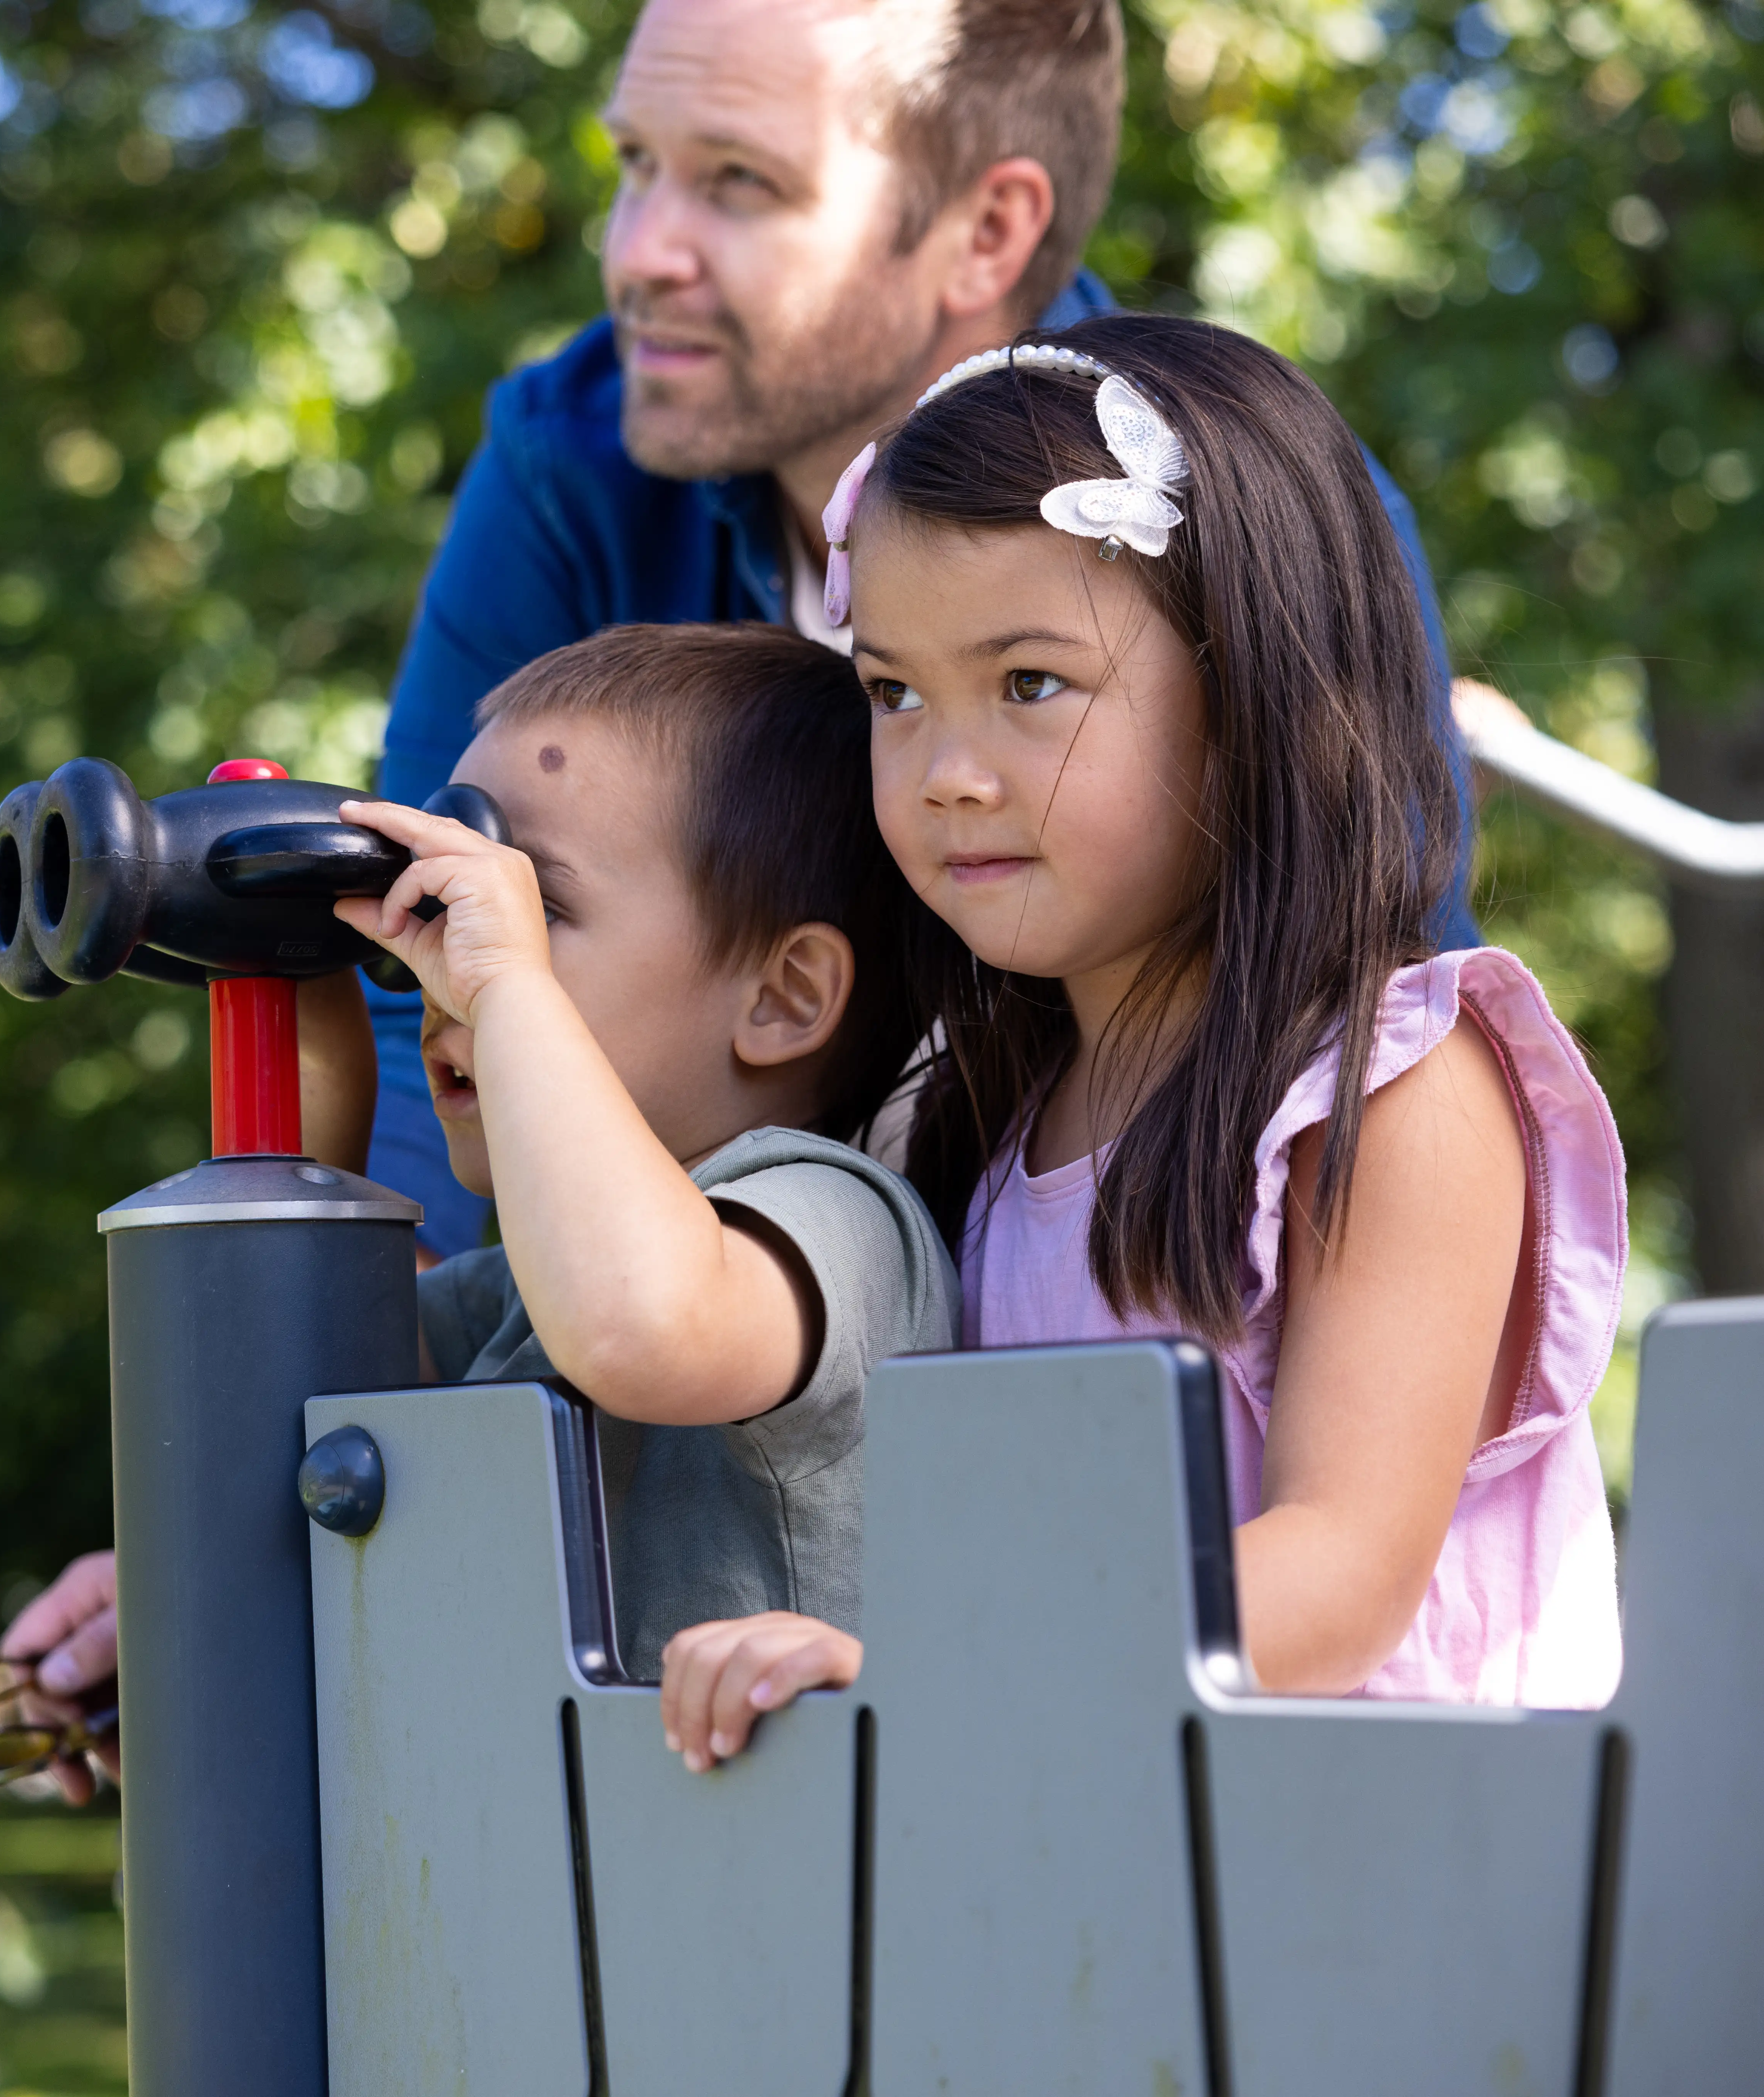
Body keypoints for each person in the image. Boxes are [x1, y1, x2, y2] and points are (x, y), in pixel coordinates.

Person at [660, 315, 1624, 1773]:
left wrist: (938, 1662)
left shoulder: (1396, 1085)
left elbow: (1345, 1579)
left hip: (1408, 1906)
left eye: (1031, 684)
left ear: (1251, 702)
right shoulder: (981, 1116)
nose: (948, 774)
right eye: (893, 692)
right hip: (1131, 1888)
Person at [363, 0, 1471, 1261]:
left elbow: (1374, 997)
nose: (640, 252)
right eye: (636, 165)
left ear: (985, 231)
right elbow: (420, 992)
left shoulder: (1242, 518)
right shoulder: (574, 463)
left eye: (740, 181)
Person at [2, 624, 958, 1798]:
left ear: (784, 995)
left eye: (524, 902)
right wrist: (288, 976)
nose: (451, 966)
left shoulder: (833, 1220)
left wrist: (509, 990)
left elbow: (641, 1327)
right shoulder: (520, 1292)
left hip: (776, 1929)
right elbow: (305, 1370)